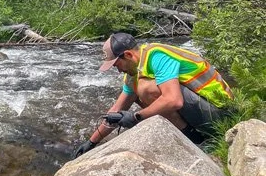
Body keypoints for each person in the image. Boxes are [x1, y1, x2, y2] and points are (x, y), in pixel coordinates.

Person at [73, 33, 234, 158]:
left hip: (222, 113)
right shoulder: (132, 74)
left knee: (146, 89)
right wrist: (92, 142)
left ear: (128, 55)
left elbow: (173, 100)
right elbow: (117, 109)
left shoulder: (157, 56)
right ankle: (194, 137)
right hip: (202, 110)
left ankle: (198, 141)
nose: (118, 70)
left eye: (117, 64)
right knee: (139, 90)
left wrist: (136, 117)